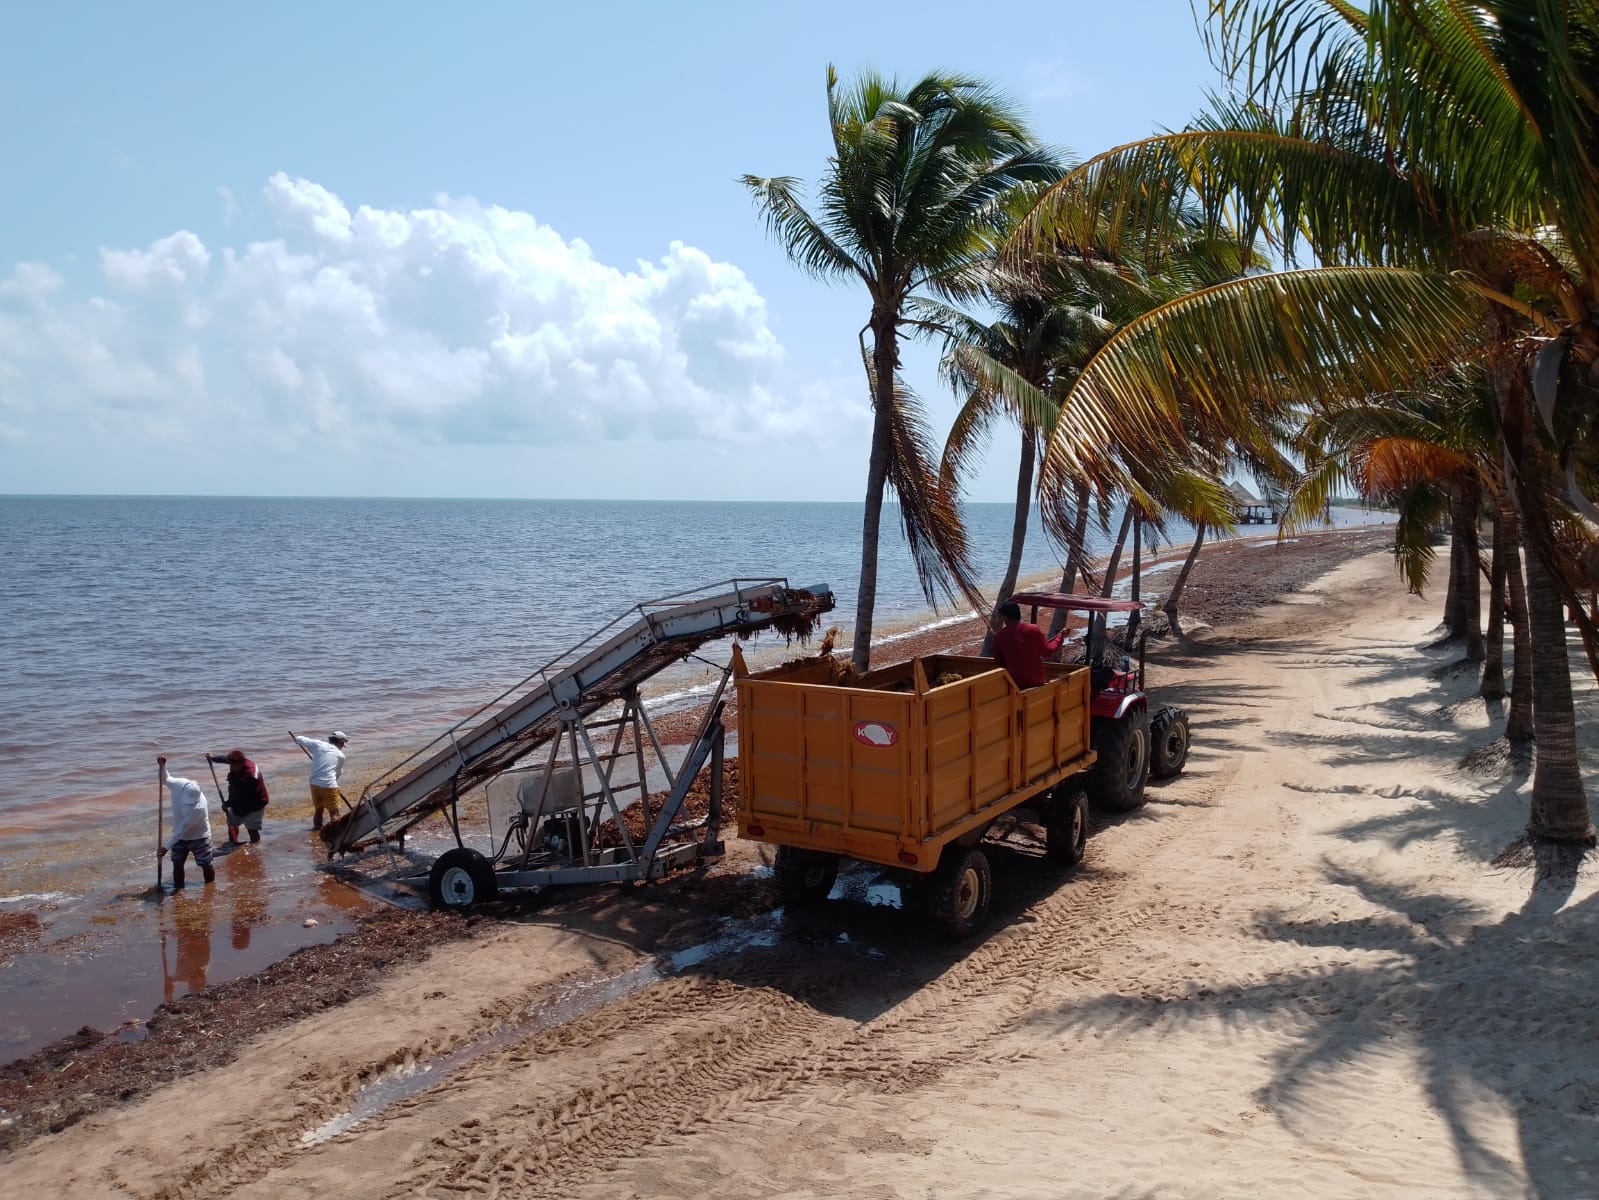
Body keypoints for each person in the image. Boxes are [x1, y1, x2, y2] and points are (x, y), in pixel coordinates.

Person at [157, 756, 216, 888]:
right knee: (177, 864)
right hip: (179, 836)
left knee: (206, 864)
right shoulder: (179, 784)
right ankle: (178, 889)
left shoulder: (199, 808)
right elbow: (165, 779)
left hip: (199, 836)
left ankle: (211, 888)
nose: (190, 805)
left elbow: (184, 827)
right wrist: (163, 766)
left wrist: (166, 847)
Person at [990, 600, 1066, 689]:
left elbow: (999, 663)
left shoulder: (999, 636)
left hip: (1015, 684)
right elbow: (1047, 652)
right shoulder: (1034, 629)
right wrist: (1060, 637)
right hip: (1037, 682)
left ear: (1006, 617)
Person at [205, 749, 269, 844]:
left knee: (251, 827)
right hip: (239, 800)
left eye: (234, 766)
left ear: (242, 763)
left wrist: (227, 804)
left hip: (256, 802)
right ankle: (233, 844)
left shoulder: (250, 775)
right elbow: (226, 759)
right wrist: (213, 758)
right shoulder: (237, 762)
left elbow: (241, 795)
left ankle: (255, 846)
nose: (232, 767)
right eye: (231, 764)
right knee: (232, 824)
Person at [291, 730, 348, 831]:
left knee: (318, 810)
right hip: (329, 784)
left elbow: (300, 739)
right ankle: (337, 834)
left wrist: (297, 740)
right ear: (341, 743)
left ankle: (316, 829)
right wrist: (332, 785)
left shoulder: (319, 745)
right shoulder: (340, 755)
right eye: (343, 745)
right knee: (334, 813)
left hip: (314, 784)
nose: (342, 747)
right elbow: (338, 773)